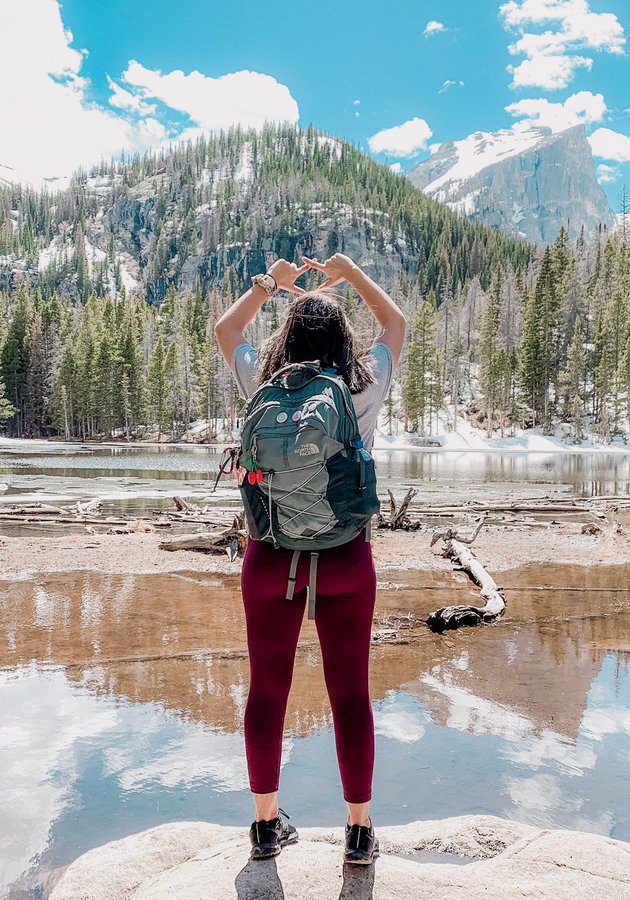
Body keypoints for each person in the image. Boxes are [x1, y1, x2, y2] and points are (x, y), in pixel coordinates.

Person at [214, 253, 406, 866]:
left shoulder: (263, 383)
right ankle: (358, 833)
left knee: (267, 689)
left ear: (286, 340)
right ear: (344, 340)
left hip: (270, 558)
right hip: (347, 558)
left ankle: (265, 826)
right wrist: (349, 273)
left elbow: (226, 329)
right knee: (350, 694)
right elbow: (396, 324)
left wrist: (271, 285)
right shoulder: (362, 385)